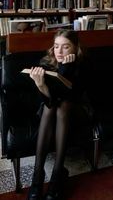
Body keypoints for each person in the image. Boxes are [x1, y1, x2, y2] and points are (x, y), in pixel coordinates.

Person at [27, 29, 85, 200]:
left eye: (65, 47)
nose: (59, 52)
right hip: (51, 111)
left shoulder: (82, 65)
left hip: (76, 111)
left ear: (75, 48)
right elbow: (50, 101)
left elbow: (71, 96)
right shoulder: (45, 63)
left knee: (64, 104)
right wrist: (41, 86)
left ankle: (57, 174)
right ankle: (37, 178)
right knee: (51, 107)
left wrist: (66, 69)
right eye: (56, 46)